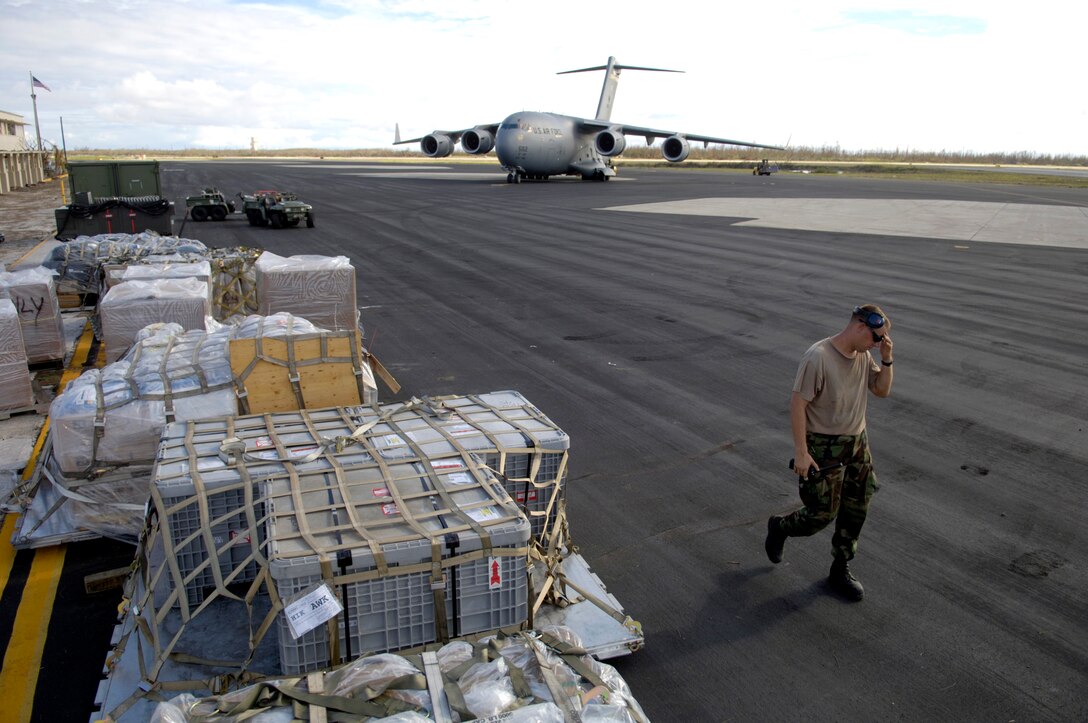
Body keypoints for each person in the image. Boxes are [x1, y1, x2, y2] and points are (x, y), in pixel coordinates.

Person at [764, 304, 895, 601]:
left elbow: (882, 390)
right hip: (824, 447)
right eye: (877, 338)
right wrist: (801, 452)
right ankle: (780, 527)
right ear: (860, 326)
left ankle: (840, 568)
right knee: (820, 514)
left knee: (857, 508)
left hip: (857, 444)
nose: (878, 345)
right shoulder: (818, 357)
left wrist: (887, 360)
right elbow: (799, 405)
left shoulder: (863, 355)